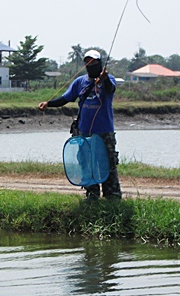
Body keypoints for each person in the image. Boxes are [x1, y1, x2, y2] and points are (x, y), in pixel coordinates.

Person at [38, 50, 122, 200]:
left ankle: (112, 196)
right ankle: (92, 194)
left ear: (100, 64)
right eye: (88, 63)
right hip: (84, 132)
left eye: (94, 62)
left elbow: (111, 89)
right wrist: (48, 104)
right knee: (85, 162)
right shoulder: (80, 82)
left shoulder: (108, 80)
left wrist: (105, 79)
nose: (91, 65)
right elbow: (65, 98)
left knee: (108, 163)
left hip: (104, 131)